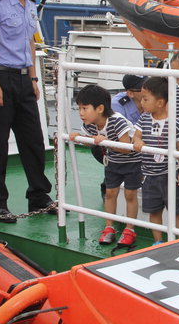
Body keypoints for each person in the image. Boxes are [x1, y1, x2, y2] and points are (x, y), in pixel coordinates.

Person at [0, 0, 55, 223]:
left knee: (34, 141)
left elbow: (29, 43)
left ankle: (39, 196)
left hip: (24, 80)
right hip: (0, 79)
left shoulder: (31, 6)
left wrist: (34, 78)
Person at [69, 85, 141, 247]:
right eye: (79, 108)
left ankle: (130, 230)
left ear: (100, 108)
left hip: (132, 162)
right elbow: (91, 140)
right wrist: (80, 137)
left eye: (85, 108)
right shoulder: (90, 123)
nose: (81, 113)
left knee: (130, 195)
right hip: (113, 162)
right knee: (110, 193)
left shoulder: (117, 121)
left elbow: (126, 148)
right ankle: (109, 227)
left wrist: (106, 142)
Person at [133, 77, 179, 245]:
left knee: (176, 211)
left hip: (169, 174)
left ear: (160, 102)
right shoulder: (144, 119)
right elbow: (136, 135)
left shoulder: (175, 123)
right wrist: (137, 141)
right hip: (149, 175)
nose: (142, 102)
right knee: (153, 211)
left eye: (145, 99)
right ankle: (158, 241)